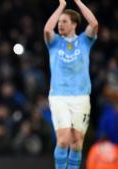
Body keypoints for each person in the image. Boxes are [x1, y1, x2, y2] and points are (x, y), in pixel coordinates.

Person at [43, 0, 98, 168]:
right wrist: (61, 6)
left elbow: (94, 23)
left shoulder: (84, 41)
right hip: (59, 96)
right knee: (63, 139)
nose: (60, 24)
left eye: (64, 21)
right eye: (59, 22)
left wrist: (78, 2)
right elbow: (47, 29)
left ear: (74, 24)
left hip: (81, 97)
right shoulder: (54, 43)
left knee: (76, 142)